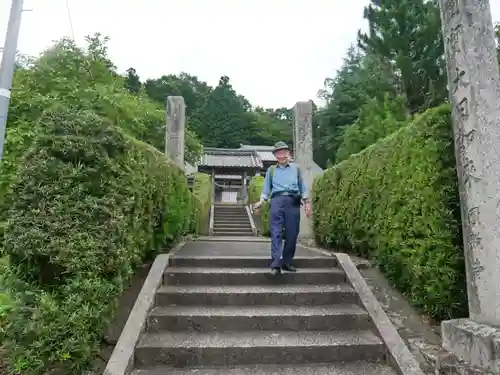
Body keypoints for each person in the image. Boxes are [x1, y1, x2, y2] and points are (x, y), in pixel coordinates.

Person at [253, 141, 311, 275]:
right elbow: (266, 189)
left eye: (285, 152)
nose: (283, 155)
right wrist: (261, 201)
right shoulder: (271, 170)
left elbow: (303, 187)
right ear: (275, 156)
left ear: (289, 154)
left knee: (292, 233)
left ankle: (287, 262)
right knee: (276, 231)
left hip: (293, 201)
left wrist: (307, 203)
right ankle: (275, 263)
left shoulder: (296, 169)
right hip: (277, 200)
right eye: (279, 153)